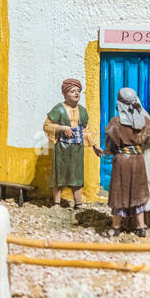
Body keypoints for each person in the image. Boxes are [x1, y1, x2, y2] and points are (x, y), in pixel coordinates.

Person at [102, 87, 150, 235]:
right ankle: (141, 227)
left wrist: (107, 151)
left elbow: (110, 145)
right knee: (138, 193)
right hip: (138, 160)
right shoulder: (146, 122)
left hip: (122, 162)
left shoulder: (116, 123)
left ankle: (115, 228)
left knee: (119, 194)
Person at [43, 78, 103, 209]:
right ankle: (57, 202)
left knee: (76, 173)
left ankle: (78, 203)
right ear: (65, 94)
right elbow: (47, 125)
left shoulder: (82, 110)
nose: (76, 94)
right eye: (72, 91)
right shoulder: (58, 109)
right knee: (60, 173)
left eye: (78, 91)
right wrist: (62, 128)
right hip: (62, 147)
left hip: (77, 147)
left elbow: (86, 130)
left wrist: (94, 145)